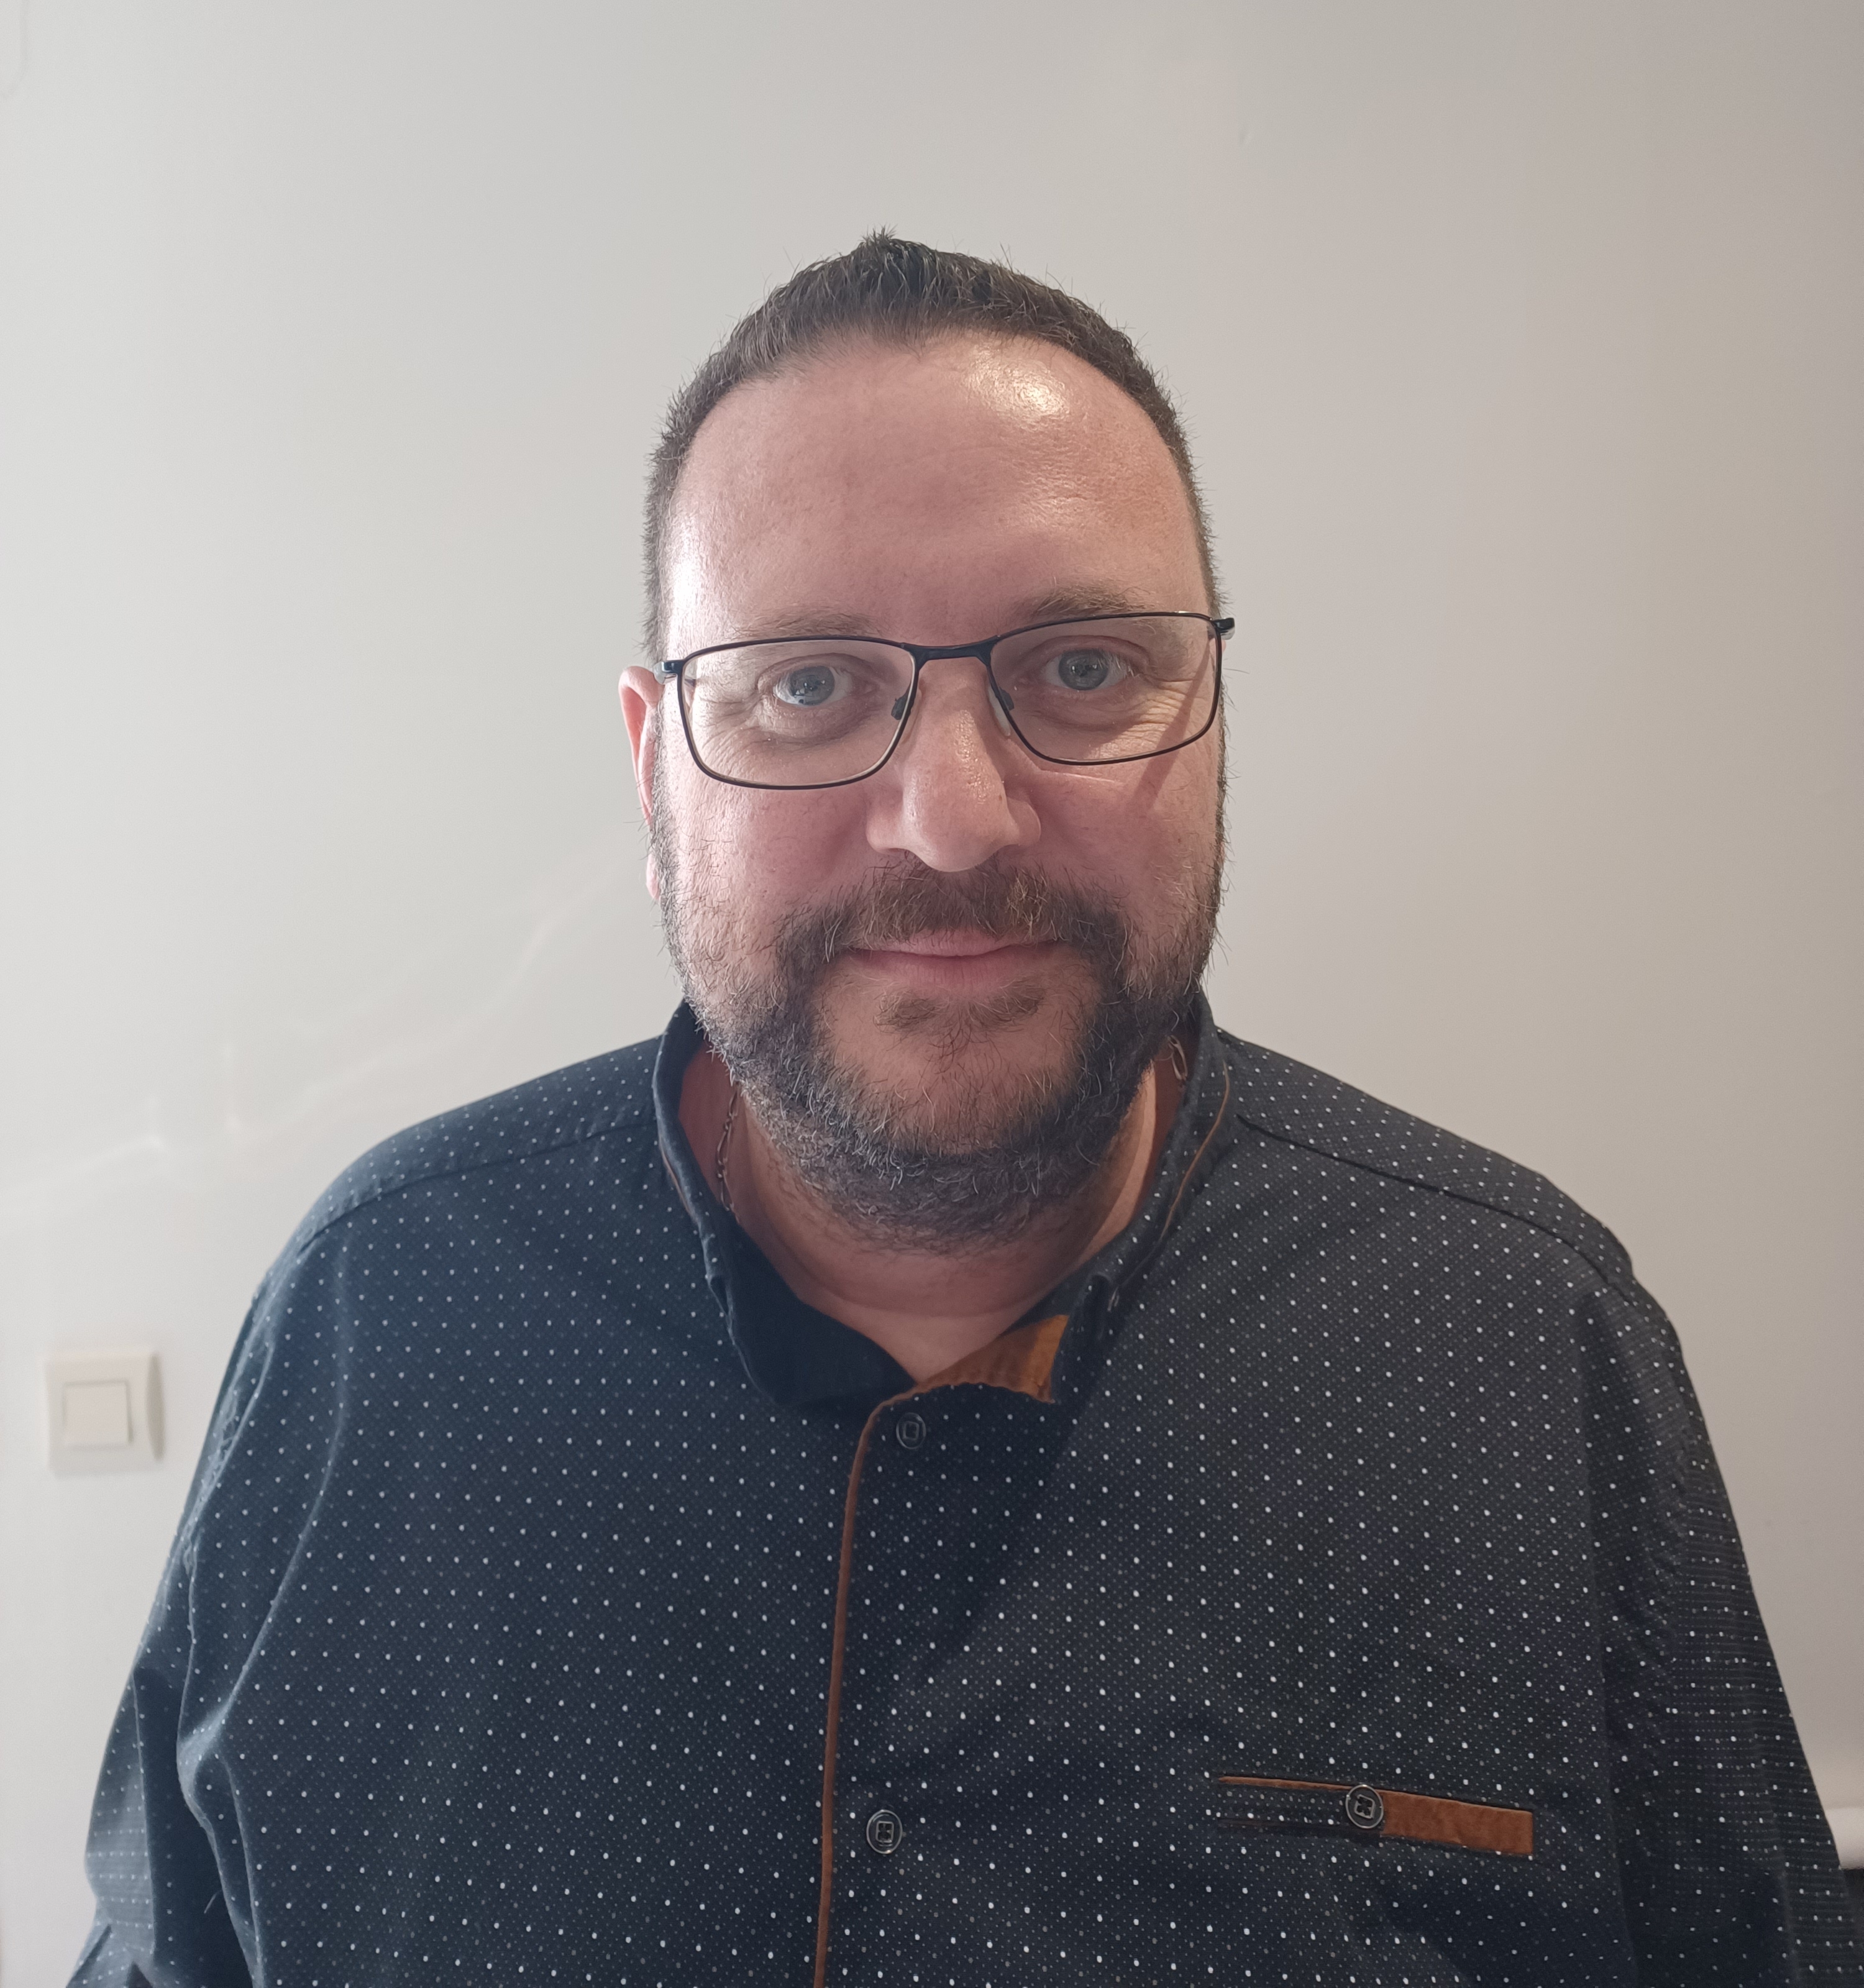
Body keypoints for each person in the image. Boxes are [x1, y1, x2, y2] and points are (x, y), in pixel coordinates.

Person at [73, 235, 1858, 1987]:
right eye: (805, 685)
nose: (951, 820)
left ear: (1211, 720)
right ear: (653, 765)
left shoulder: (1523, 1349)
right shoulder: (380, 1318)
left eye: (1081, 669)